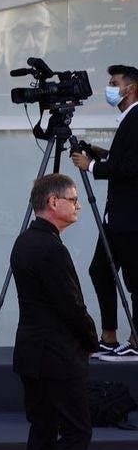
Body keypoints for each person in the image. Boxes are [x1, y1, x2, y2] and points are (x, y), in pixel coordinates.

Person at [11, 174, 99, 450]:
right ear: (53, 203)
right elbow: (71, 305)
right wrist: (92, 339)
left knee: (43, 431)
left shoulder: (24, 241)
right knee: (77, 431)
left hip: (33, 353)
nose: (77, 206)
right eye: (73, 200)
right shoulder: (50, 249)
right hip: (57, 356)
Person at [71, 63, 138, 359]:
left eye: (114, 83)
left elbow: (132, 168)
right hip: (116, 218)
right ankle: (108, 337)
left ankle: (136, 341)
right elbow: (125, 160)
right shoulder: (128, 119)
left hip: (131, 218)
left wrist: (93, 166)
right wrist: (102, 155)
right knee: (100, 270)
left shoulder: (136, 118)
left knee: (135, 280)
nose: (110, 88)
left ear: (130, 88)